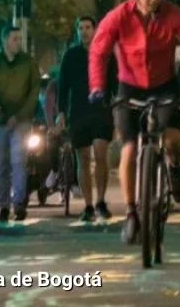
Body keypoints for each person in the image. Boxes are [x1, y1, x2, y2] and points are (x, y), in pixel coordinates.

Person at [87, 0, 180, 245]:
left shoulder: (173, 14)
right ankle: (131, 213)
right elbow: (98, 52)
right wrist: (97, 87)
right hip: (129, 87)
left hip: (164, 86)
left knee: (172, 140)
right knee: (129, 148)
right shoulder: (118, 17)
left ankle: (174, 168)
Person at [0, 26, 41, 222]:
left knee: (19, 162)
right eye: (15, 39)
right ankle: (4, 205)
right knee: (2, 165)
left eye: (20, 39)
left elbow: (34, 92)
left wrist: (21, 114)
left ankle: (19, 203)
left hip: (21, 120)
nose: (18, 43)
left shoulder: (28, 64)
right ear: (5, 40)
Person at [58, 15, 116, 222]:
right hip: (78, 112)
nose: (84, 31)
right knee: (82, 158)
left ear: (95, 29)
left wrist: (117, 106)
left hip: (101, 110)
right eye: (80, 28)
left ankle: (101, 201)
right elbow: (63, 86)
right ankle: (88, 205)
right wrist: (61, 112)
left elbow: (115, 82)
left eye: (88, 27)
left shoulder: (106, 53)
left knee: (100, 153)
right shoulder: (70, 55)